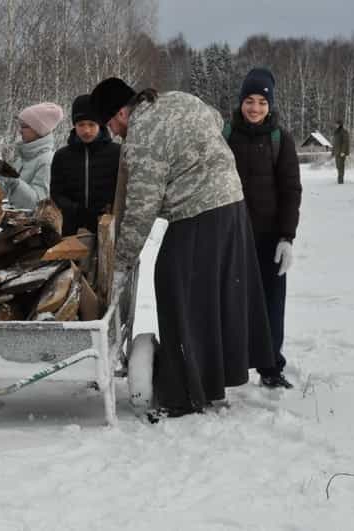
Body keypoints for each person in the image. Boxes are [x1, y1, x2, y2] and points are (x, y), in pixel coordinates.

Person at [89, 77, 275, 421]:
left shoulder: (142, 136)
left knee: (175, 288)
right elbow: (216, 119)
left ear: (121, 113)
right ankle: (215, 378)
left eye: (111, 124)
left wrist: (121, 264)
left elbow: (142, 209)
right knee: (215, 294)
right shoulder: (176, 99)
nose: (113, 133)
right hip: (232, 206)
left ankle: (187, 393)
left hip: (198, 212)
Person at [225, 68, 302, 389]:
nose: (255, 108)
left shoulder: (279, 139)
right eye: (249, 101)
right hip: (231, 235)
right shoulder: (225, 135)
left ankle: (271, 367)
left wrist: (287, 237)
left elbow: (291, 190)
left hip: (269, 237)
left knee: (272, 303)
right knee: (230, 302)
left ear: (270, 105)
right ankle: (229, 364)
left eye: (261, 102)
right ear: (241, 102)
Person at [50, 94, 120, 236]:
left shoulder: (117, 153)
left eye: (91, 124)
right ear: (74, 125)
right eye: (81, 125)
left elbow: (123, 191)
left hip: (108, 228)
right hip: (71, 228)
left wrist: (106, 210)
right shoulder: (62, 156)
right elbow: (56, 193)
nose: (86, 130)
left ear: (100, 124)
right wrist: (77, 211)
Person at [0, 102, 63, 209]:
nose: (20, 131)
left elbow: (37, 204)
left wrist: (13, 181)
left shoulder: (47, 161)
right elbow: (5, 192)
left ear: (39, 129)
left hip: (31, 225)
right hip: (14, 222)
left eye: (24, 126)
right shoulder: (23, 158)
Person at [333, 120, 350, 184]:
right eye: (336, 124)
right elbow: (334, 143)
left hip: (341, 153)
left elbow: (345, 142)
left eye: (337, 124)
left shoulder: (344, 132)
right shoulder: (336, 132)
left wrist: (343, 152)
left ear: (340, 124)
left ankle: (340, 180)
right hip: (336, 152)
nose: (336, 125)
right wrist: (333, 152)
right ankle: (340, 179)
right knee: (338, 166)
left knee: (341, 166)